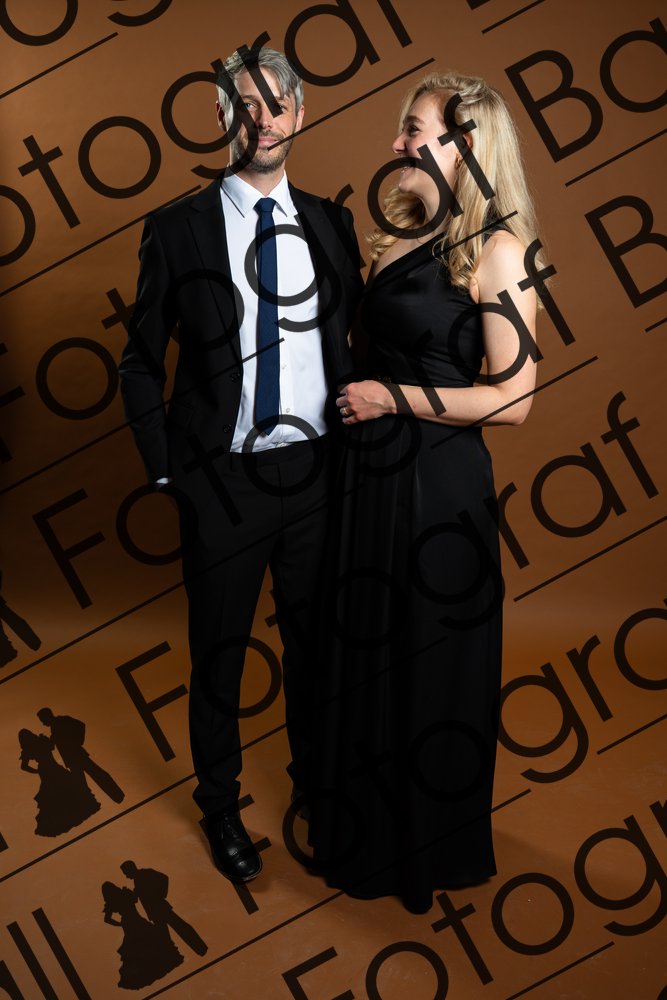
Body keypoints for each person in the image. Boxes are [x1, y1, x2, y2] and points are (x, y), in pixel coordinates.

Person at [118, 47, 363, 884]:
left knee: (315, 651)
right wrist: (167, 472)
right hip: (222, 483)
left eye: (275, 103)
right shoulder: (175, 228)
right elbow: (139, 362)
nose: (261, 119)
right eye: (242, 104)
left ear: (299, 114)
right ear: (221, 117)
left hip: (318, 475)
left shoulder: (332, 225)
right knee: (218, 654)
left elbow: (358, 343)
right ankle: (219, 805)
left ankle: (317, 795)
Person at [307, 71, 540, 914]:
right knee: (363, 655)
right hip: (364, 484)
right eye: (402, 128)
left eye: (413, 129)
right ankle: (361, 837)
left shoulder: (500, 251)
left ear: (465, 145)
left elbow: (513, 400)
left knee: (425, 662)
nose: (396, 143)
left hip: (436, 492)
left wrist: (391, 398)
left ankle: (420, 849)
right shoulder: (396, 234)